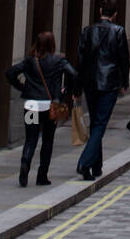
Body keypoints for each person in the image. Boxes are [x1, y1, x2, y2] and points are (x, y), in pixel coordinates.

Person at [6, 31, 79, 187]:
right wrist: (65, 91)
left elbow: (10, 73)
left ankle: (25, 163)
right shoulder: (59, 61)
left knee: (30, 139)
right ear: (52, 44)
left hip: (31, 106)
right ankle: (42, 175)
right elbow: (73, 74)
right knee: (47, 140)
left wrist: (22, 87)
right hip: (50, 108)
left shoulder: (30, 61)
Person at [75, 0, 130, 181]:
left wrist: (78, 84)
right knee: (100, 124)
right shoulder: (118, 31)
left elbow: (80, 60)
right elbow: (123, 59)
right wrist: (124, 81)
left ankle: (96, 166)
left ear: (100, 11)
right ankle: (85, 162)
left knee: (95, 122)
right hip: (108, 83)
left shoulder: (87, 31)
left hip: (90, 82)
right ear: (115, 14)